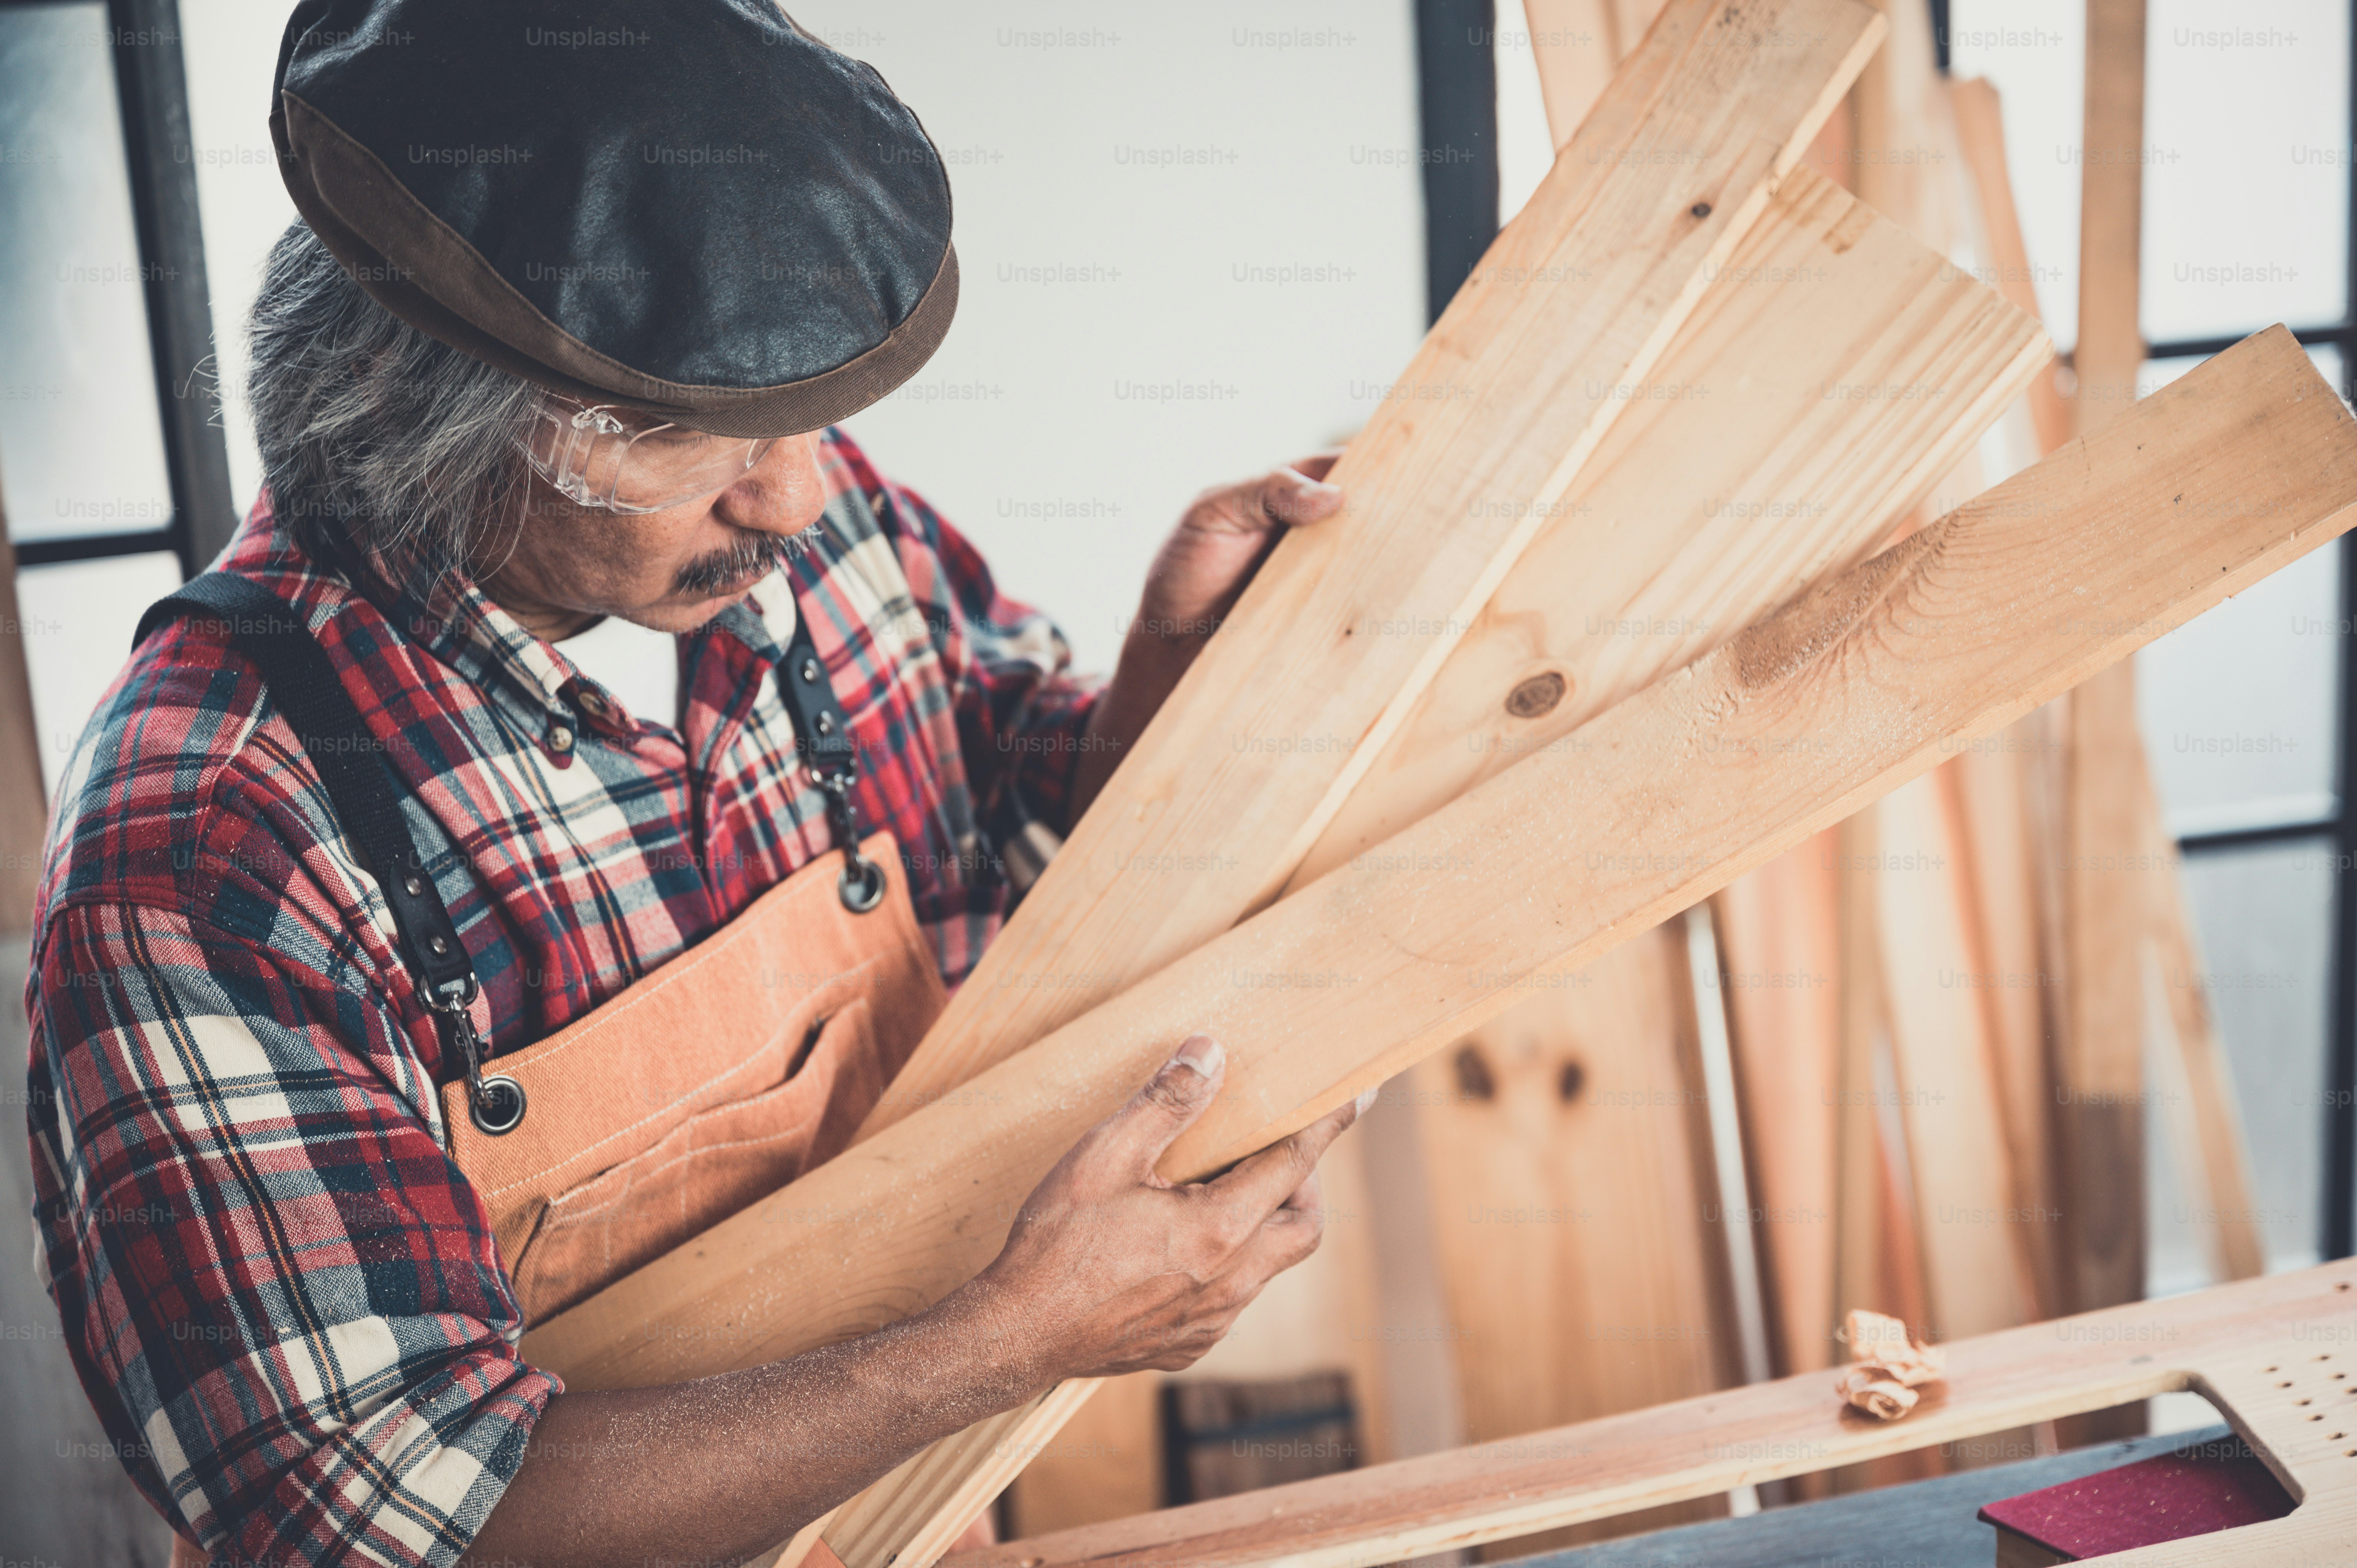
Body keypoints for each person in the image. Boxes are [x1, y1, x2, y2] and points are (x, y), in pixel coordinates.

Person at [23, 5, 1357, 1564]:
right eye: (686, 426)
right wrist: (1005, 1342)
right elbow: (395, 1516)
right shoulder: (211, 840)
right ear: (427, 404)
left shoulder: (796, 521)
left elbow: (1000, 788)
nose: (797, 488)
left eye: (806, 408)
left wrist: (1160, 693)